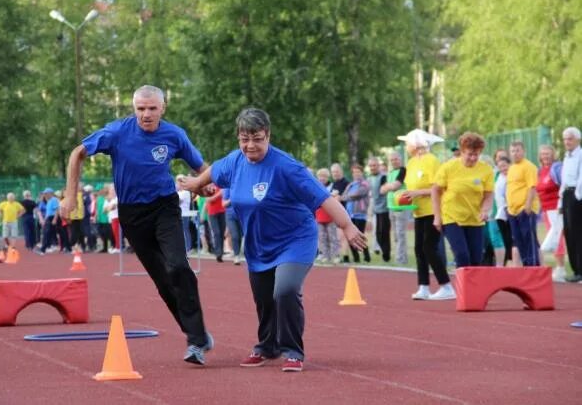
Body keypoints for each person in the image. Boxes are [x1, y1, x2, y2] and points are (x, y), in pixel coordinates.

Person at [180, 108, 366, 373]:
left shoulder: (287, 167)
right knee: (265, 299)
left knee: (285, 290)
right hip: (259, 243)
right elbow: (212, 173)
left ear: (267, 135)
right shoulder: (235, 161)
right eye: (244, 139)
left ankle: (292, 350)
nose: (250, 145)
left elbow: (323, 198)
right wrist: (197, 184)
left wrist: (347, 226)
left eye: (257, 138)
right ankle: (267, 347)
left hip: (295, 239)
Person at [60, 85, 213, 365]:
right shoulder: (117, 132)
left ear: (163, 108)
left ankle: (196, 340)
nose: (146, 114)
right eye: (141, 109)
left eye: (152, 108)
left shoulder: (174, 135)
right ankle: (197, 333)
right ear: (133, 109)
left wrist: (205, 186)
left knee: (178, 266)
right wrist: (70, 195)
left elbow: (201, 167)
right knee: (163, 280)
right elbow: (77, 153)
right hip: (132, 214)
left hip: (165, 207)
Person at [399, 129, 455, 300]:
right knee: (419, 249)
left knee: (429, 247)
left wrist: (417, 193)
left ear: (417, 144)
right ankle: (423, 286)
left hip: (433, 210)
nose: (406, 146)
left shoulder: (432, 161)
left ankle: (446, 286)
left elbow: (438, 187)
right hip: (419, 211)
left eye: (408, 143)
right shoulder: (411, 163)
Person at [432, 132, 494, 268]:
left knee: (476, 259)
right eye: (469, 154)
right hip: (452, 218)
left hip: (475, 219)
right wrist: (437, 216)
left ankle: (473, 288)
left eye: (476, 154)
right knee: (462, 255)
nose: (472, 158)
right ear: (461, 151)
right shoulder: (448, 167)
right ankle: (463, 289)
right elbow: (435, 191)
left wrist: (485, 210)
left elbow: (489, 195)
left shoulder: (486, 170)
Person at [506, 141, 540, 266]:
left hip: (525, 209)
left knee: (529, 239)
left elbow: (532, 187)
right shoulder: (512, 168)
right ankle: (526, 264)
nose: (515, 153)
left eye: (518, 150)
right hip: (512, 211)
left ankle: (533, 266)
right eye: (513, 151)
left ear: (523, 151)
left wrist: (528, 206)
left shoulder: (528, 166)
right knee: (519, 240)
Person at [535, 144, 566, 281]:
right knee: (554, 238)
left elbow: (563, 186)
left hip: (556, 209)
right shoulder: (540, 171)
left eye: (548, 153)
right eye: (543, 154)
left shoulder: (557, 168)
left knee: (556, 238)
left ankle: (560, 269)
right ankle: (559, 268)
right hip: (546, 210)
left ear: (553, 154)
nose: (545, 156)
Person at [559, 127, 582, 282]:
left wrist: (577, 196)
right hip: (567, 194)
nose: (567, 142)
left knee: (578, 232)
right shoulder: (566, 157)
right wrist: (561, 199)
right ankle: (575, 269)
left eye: (570, 139)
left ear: (577, 140)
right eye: (565, 139)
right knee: (568, 232)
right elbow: (564, 179)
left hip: (577, 194)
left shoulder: (580, 154)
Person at [381, 151, 409, 264]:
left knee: (400, 234)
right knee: (396, 235)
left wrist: (388, 187)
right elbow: (382, 190)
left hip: (401, 206)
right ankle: (401, 257)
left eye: (396, 159)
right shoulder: (391, 172)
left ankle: (400, 259)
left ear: (400, 159)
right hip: (391, 206)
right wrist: (389, 187)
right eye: (392, 160)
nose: (394, 161)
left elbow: (395, 186)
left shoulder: (403, 170)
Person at [342, 164, 372, 263]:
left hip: (360, 215)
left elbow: (357, 194)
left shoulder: (365, 184)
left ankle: (367, 257)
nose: (356, 174)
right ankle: (356, 259)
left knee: (359, 236)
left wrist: (346, 196)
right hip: (350, 214)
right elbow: (344, 195)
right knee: (350, 237)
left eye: (358, 172)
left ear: (362, 172)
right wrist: (346, 196)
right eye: (354, 172)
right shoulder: (350, 185)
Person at [367, 157, 391, 262]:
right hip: (375, 209)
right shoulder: (369, 179)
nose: (373, 167)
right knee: (378, 233)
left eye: (374, 165)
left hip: (385, 209)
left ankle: (386, 254)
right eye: (371, 166)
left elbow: (384, 190)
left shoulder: (383, 177)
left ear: (378, 166)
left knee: (384, 232)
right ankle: (384, 251)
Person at [314, 168, 338, 264]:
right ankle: (325, 255)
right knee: (322, 237)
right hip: (319, 216)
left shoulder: (332, 186)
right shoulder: (315, 186)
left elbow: (335, 196)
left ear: (328, 177)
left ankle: (335, 255)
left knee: (332, 236)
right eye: (320, 176)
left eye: (324, 176)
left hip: (330, 215)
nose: (322, 178)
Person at [222, 188, 243, 265]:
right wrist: (232, 199)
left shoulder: (241, 187)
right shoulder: (227, 189)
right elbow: (223, 204)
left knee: (240, 236)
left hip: (241, 215)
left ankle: (238, 253)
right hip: (230, 216)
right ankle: (236, 256)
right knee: (235, 235)